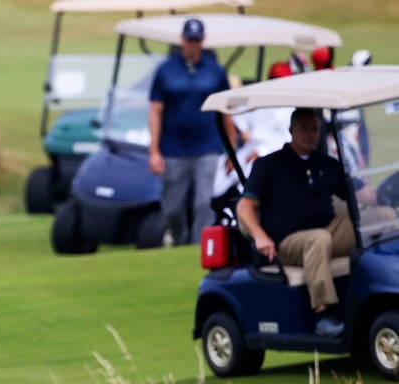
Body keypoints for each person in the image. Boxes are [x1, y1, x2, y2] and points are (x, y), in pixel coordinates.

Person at [236, 108, 354, 337]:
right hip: (286, 240)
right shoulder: (269, 165)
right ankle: (322, 314)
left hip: (326, 229)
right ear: (291, 131)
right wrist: (259, 236)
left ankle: (376, 294)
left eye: (314, 129)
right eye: (304, 129)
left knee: (378, 223)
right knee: (319, 240)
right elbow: (244, 207)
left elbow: (360, 194)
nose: (310, 134)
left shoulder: (326, 164)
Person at [149, 17, 236, 245]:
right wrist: (154, 150)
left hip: (206, 145)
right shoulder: (166, 70)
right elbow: (156, 110)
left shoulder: (215, 72)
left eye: (197, 40)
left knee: (203, 202)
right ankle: (179, 239)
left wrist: (231, 149)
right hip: (173, 148)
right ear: (182, 39)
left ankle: (198, 249)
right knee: (172, 207)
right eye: (190, 40)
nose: (193, 45)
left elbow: (226, 112)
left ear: (203, 41)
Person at [212, 61, 294, 199]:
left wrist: (262, 152)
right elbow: (234, 116)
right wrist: (242, 132)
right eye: (273, 79)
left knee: (252, 174)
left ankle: (240, 209)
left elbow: (287, 140)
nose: (276, 84)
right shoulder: (259, 101)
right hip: (249, 149)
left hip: (273, 154)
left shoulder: (291, 109)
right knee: (220, 171)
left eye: (279, 80)